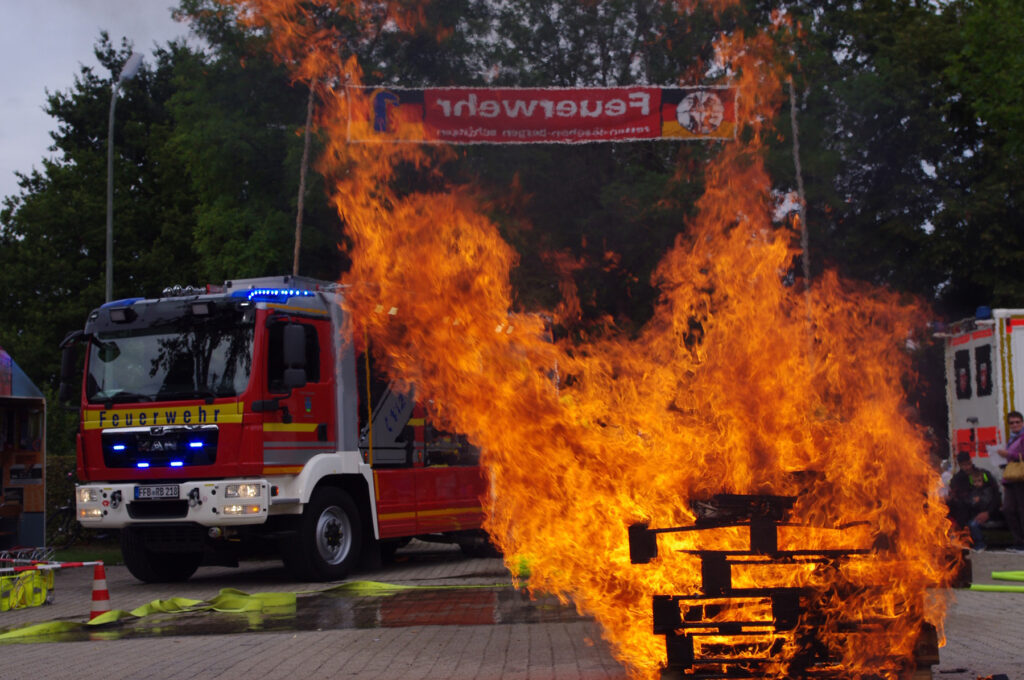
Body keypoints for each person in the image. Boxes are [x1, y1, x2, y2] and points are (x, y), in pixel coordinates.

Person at [948, 451, 1001, 551]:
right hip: (966, 515)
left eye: (968, 464)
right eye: (964, 465)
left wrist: (988, 513)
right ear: (959, 465)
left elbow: (995, 495)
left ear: (971, 461)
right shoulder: (957, 480)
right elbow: (956, 500)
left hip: (986, 511)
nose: (967, 467)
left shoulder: (984, 474)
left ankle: (979, 543)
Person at [996, 411, 1024, 552]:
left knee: (1021, 510)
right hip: (1011, 478)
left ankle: (1022, 543)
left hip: (1021, 478)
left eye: (1017, 422)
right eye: (1012, 422)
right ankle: (1019, 541)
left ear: (1022, 422)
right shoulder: (1012, 439)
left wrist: (1009, 455)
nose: (1014, 425)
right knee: (1008, 509)